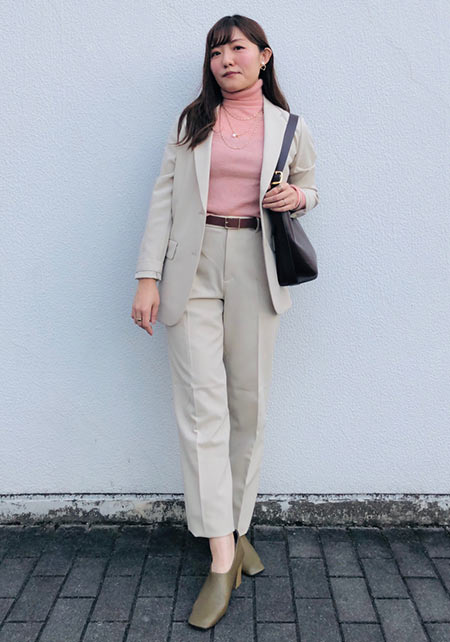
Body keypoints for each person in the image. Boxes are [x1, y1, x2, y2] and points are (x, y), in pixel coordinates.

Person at [131, 14, 319, 630]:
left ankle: (236, 530)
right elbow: (163, 196)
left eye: (237, 48)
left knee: (248, 408)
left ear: (264, 56)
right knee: (201, 409)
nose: (225, 60)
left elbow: (310, 186)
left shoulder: (289, 126)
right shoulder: (193, 120)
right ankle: (221, 555)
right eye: (216, 52)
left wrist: (298, 197)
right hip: (192, 265)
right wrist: (147, 276)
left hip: (256, 265)